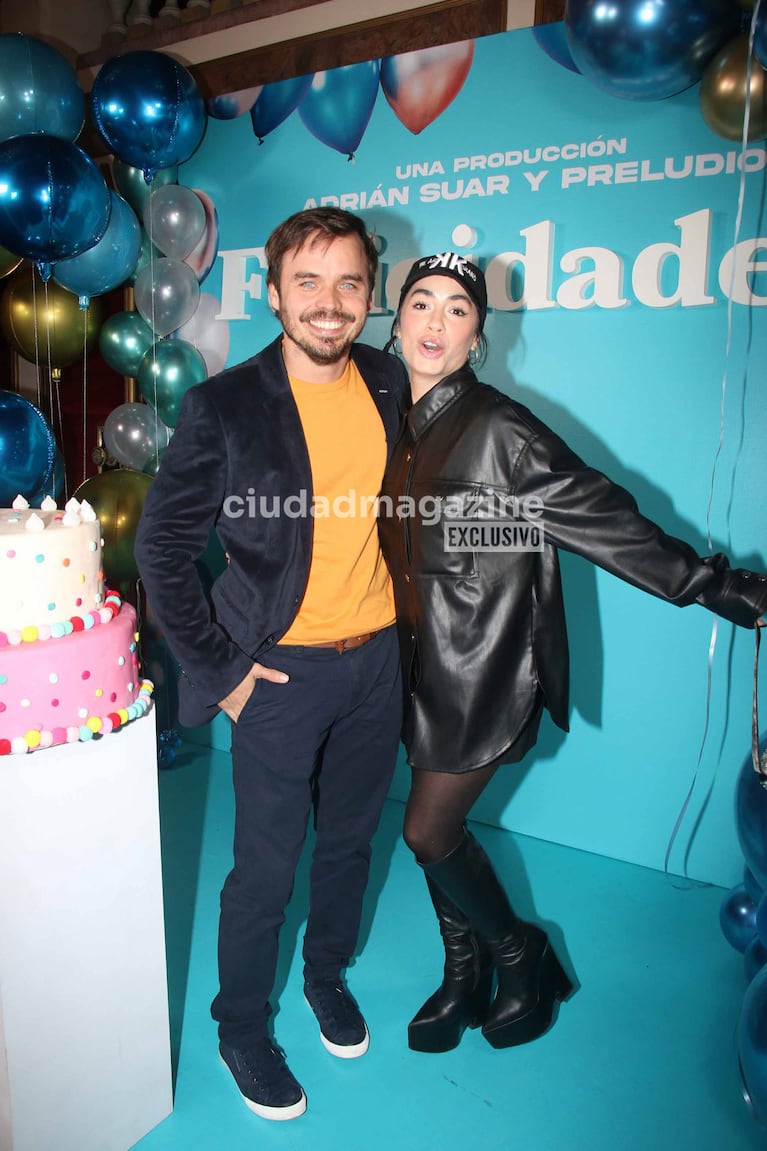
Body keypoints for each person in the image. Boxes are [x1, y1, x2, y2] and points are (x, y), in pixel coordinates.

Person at [377, 251, 767, 1055]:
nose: (435, 322)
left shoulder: (498, 426)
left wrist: (723, 589)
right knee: (438, 830)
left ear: (477, 335)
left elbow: (606, 518)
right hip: (410, 665)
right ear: (398, 317)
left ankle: (522, 955)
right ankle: (463, 974)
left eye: (456, 309)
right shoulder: (389, 425)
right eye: (422, 302)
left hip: (482, 667)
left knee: (426, 830)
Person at [135, 207, 408, 1121]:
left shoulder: (385, 380)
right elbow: (162, 549)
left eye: (349, 284)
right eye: (308, 282)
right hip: (278, 676)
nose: (329, 305)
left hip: (377, 663)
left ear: (369, 295)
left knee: (348, 845)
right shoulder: (225, 404)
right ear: (273, 290)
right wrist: (225, 672)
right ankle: (242, 1025)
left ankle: (326, 975)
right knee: (264, 869)